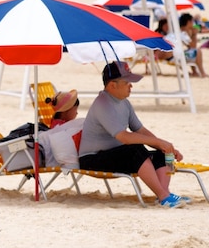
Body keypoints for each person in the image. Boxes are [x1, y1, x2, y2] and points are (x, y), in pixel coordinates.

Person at [78, 61, 188, 208]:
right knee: (136, 150)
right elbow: (124, 137)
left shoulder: (124, 103)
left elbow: (140, 130)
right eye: (127, 82)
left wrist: (164, 145)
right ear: (112, 86)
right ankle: (164, 196)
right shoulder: (102, 104)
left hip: (114, 154)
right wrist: (159, 142)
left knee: (160, 154)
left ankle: (164, 194)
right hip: (92, 158)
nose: (131, 85)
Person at [173, 12, 207, 78]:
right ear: (188, 22)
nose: (193, 23)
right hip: (176, 56)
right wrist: (194, 35)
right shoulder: (183, 32)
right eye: (192, 21)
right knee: (197, 51)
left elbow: (190, 47)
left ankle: (195, 72)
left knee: (192, 51)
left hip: (175, 54)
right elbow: (193, 46)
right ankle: (202, 73)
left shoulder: (182, 30)